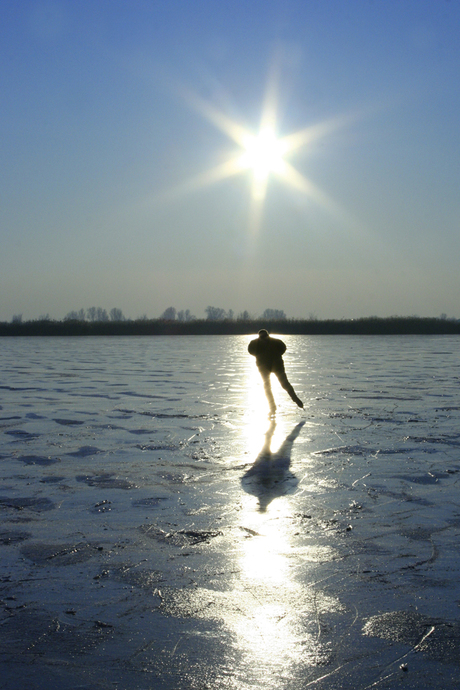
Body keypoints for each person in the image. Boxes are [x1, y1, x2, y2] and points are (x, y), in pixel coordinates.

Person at [248, 329, 303, 414]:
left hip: (276, 366)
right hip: (264, 367)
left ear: (267, 335)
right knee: (267, 386)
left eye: (265, 337)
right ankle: (272, 406)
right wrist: (260, 355)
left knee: (284, 384)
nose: (264, 339)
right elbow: (250, 350)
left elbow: (283, 348)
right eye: (262, 337)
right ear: (259, 337)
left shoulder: (276, 342)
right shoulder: (254, 343)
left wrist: (276, 355)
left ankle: (296, 400)